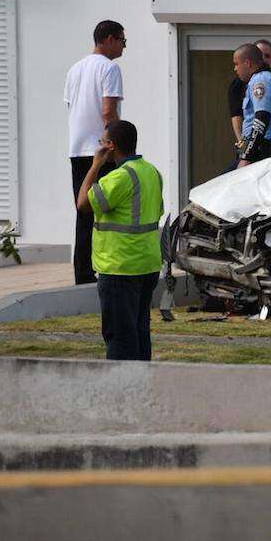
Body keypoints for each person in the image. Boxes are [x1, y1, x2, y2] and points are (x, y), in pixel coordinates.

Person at [76, 120, 164, 361]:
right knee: (139, 332)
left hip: (120, 267)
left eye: (102, 143)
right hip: (147, 265)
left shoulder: (118, 178)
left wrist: (95, 166)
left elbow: (83, 204)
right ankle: (142, 388)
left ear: (111, 146)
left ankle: (122, 391)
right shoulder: (152, 172)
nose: (100, 147)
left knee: (120, 338)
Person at [66, 20, 126, 285]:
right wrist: (114, 144)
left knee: (83, 212)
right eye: (123, 41)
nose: (124, 46)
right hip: (101, 151)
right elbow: (107, 111)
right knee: (107, 211)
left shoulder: (75, 69)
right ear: (110, 39)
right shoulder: (110, 68)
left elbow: (71, 107)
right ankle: (104, 267)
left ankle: (82, 273)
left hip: (77, 149)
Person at [227, 39, 271, 163]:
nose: (235, 68)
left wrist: (247, 156)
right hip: (268, 151)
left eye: (236, 64)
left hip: (261, 153)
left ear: (247, 63)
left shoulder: (260, 80)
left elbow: (261, 118)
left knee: (225, 182)